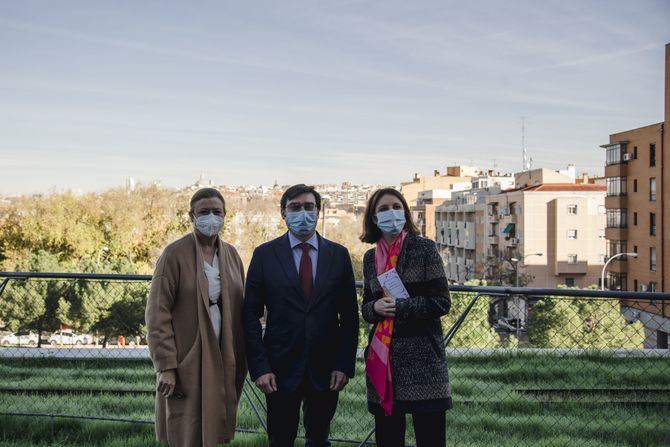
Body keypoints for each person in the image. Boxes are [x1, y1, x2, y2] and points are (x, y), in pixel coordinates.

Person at [242, 184, 359, 447]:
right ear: (283, 213)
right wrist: (260, 367)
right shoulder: (264, 255)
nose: (302, 213)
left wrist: (343, 364)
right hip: (279, 370)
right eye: (295, 207)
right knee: (280, 440)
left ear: (319, 211)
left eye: (309, 207)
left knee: (319, 439)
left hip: (326, 369)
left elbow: (350, 317)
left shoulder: (338, 255)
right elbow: (250, 315)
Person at [145, 188, 247, 447]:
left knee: (216, 422)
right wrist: (166, 366)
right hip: (186, 356)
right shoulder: (174, 254)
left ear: (225, 216)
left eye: (217, 212)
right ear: (191, 216)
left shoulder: (232, 255)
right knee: (187, 426)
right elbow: (158, 313)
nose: (211, 217)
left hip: (223, 352)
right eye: (204, 212)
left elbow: (241, 305)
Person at [360, 188, 452, 447]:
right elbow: (366, 308)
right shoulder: (370, 258)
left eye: (396, 207)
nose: (391, 213)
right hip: (384, 359)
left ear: (405, 212)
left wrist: (401, 307)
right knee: (388, 438)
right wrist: (375, 308)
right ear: (374, 218)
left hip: (423, 361)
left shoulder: (424, 249)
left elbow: (442, 302)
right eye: (383, 209)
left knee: (430, 438)